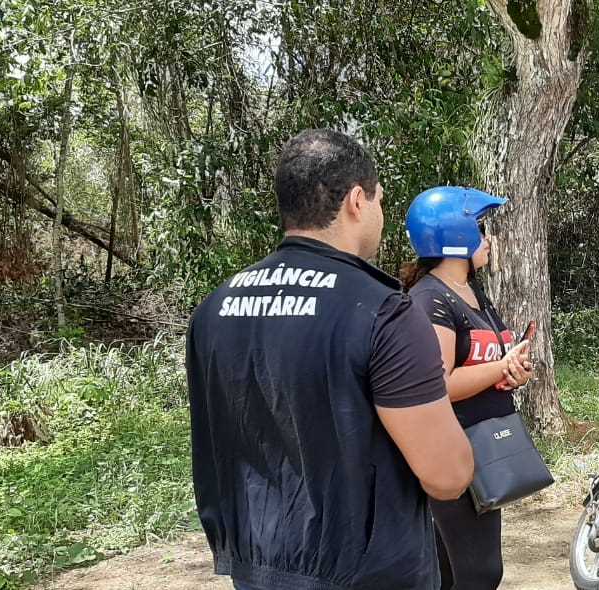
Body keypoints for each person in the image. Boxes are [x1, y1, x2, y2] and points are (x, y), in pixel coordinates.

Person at [185, 129, 474, 590]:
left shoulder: (215, 307)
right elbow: (447, 476)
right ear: (357, 200)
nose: (380, 214)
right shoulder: (383, 310)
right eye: (379, 200)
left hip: (259, 566)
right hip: (368, 572)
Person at [400, 186, 535, 590]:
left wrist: (513, 371)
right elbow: (437, 384)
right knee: (480, 572)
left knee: (449, 570)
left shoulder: (474, 293)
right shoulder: (431, 300)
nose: (488, 238)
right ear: (456, 237)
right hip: (452, 450)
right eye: (480, 229)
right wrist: (501, 366)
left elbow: (486, 363)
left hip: (484, 448)